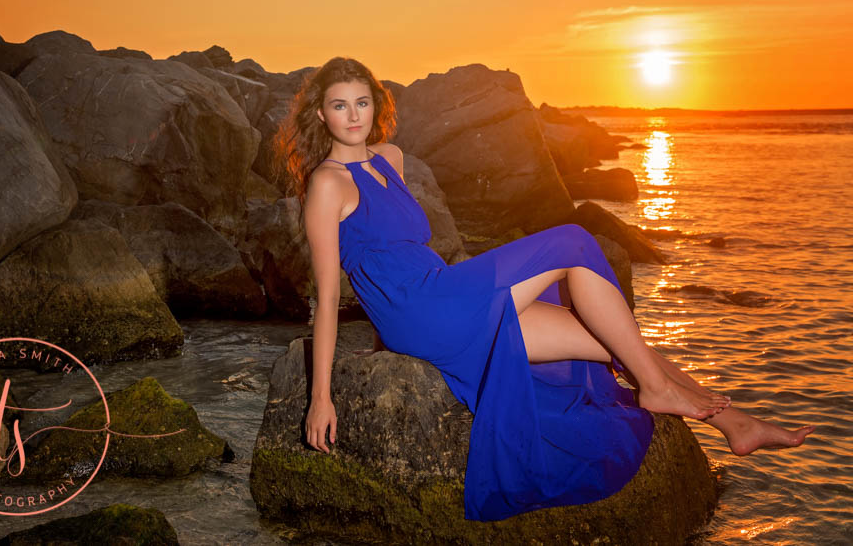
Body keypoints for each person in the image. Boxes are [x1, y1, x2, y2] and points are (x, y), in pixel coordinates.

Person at [271, 56, 815, 521]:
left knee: (615, 343)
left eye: (361, 102)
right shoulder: (326, 183)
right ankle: (659, 390)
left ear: (375, 104)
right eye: (340, 106)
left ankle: (734, 424)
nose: (353, 116)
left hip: (446, 293)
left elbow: (398, 252)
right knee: (574, 240)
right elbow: (326, 295)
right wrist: (322, 399)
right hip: (425, 313)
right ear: (321, 113)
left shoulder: (391, 160)